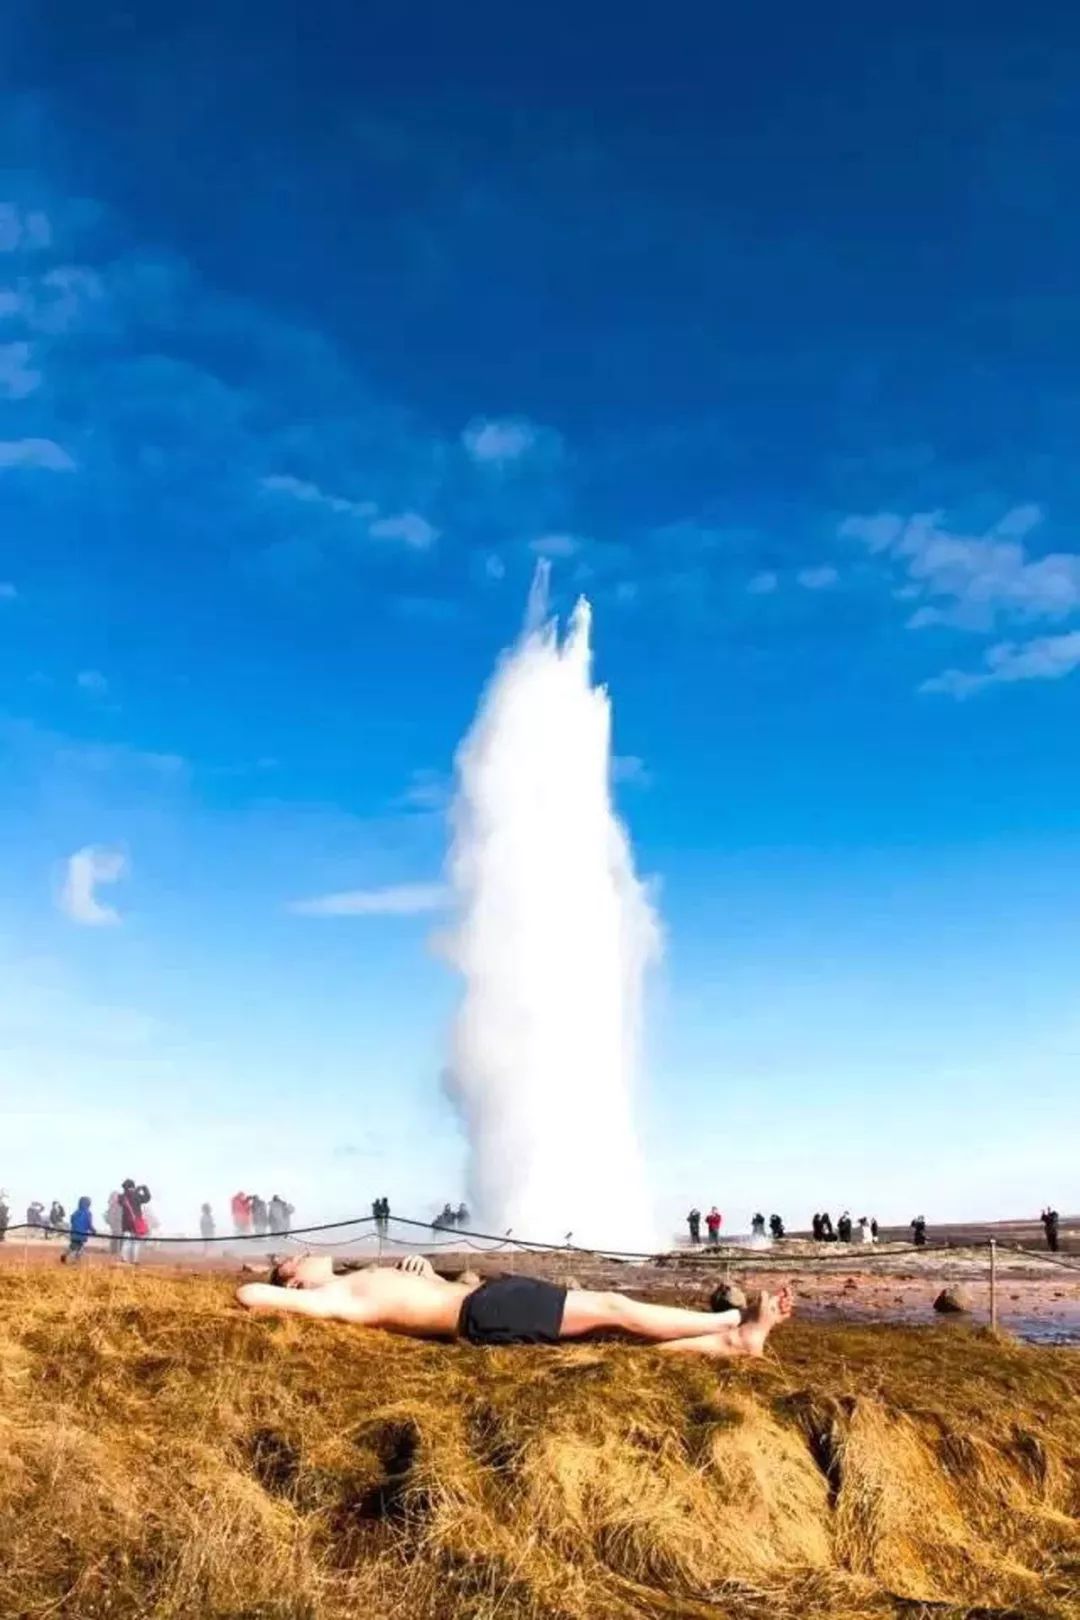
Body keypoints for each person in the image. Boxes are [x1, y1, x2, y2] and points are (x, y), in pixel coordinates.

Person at [236, 1253, 793, 1359]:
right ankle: (728, 1323)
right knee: (613, 1306)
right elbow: (248, 1294)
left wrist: (427, 1273)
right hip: (485, 1313)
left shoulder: (356, 1278)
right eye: (296, 1260)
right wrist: (284, 1295)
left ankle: (729, 1341)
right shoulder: (334, 1296)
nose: (306, 1254)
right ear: (295, 1284)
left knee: (609, 1332)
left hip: (485, 1300)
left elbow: (419, 1297)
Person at [119, 1179, 151, 1263]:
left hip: (126, 1223)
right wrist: (144, 1189)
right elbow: (147, 1198)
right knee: (136, 1242)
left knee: (126, 1242)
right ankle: (134, 1260)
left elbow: (120, 1201)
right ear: (133, 1186)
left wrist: (135, 1191)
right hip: (136, 1222)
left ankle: (124, 1259)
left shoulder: (122, 1196)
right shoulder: (136, 1195)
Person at [62, 1196, 95, 1264]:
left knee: (72, 1246)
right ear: (88, 1204)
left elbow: (72, 1220)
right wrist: (94, 1231)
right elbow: (89, 1224)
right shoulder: (88, 1213)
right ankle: (75, 1260)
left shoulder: (76, 1212)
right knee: (80, 1248)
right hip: (82, 1234)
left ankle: (65, 1254)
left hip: (74, 1233)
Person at [106, 1191, 123, 1257]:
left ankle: (116, 1253)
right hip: (117, 1225)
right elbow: (109, 1218)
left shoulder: (117, 1205)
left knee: (117, 1240)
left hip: (118, 1225)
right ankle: (116, 1253)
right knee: (117, 1240)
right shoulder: (115, 1206)